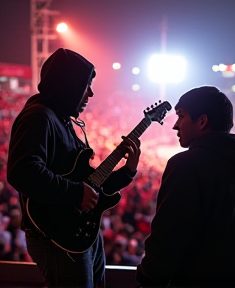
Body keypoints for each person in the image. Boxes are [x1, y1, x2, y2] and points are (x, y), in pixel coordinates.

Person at [7, 48, 141, 288]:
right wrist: (76, 193)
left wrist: (127, 172)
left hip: (78, 231)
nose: (89, 93)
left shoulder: (60, 118)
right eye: (85, 85)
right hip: (56, 235)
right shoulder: (39, 117)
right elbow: (23, 171)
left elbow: (89, 185)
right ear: (67, 85)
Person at [136, 86, 235, 288]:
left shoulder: (186, 164)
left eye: (181, 116)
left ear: (202, 121)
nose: (175, 125)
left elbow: (169, 235)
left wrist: (148, 279)